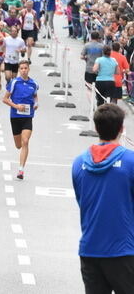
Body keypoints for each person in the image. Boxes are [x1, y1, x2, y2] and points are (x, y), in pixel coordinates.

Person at [71, 104, 134, 293]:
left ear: (96, 128)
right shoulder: (130, 161)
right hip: (124, 250)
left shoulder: (79, 163)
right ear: (121, 128)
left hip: (90, 249)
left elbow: (82, 201)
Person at [3, 61, 38, 180]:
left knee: (25, 141)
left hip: (28, 117)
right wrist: (16, 106)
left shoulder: (34, 84)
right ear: (19, 70)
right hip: (15, 116)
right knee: (18, 145)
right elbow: (5, 99)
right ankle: (21, 164)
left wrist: (36, 104)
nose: (23, 70)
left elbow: (35, 96)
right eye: (21, 68)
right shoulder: (14, 82)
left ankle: (21, 169)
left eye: (25, 68)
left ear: (29, 69)